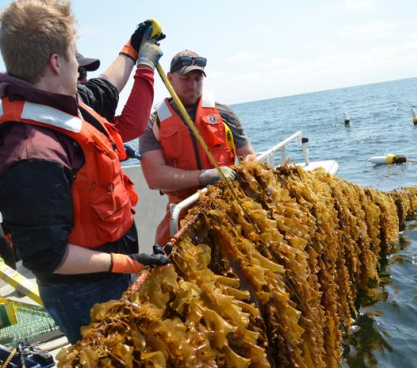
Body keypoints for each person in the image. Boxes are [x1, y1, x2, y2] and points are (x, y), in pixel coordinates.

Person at [0, 0, 168, 344]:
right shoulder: (31, 154)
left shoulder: (65, 102)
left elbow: (109, 84)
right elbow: (48, 257)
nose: (80, 64)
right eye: (75, 56)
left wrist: (134, 49)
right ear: (56, 62)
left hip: (115, 267)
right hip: (81, 293)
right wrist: (126, 263)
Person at [139, 50, 256, 246]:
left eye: (197, 78)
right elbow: (154, 178)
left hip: (229, 205)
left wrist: (244, 170)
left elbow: (248, 155)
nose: (192, 85)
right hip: (182, 212)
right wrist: (205, 176)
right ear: (170, 79)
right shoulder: (153, 123)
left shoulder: (224, 113)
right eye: (185, 78)